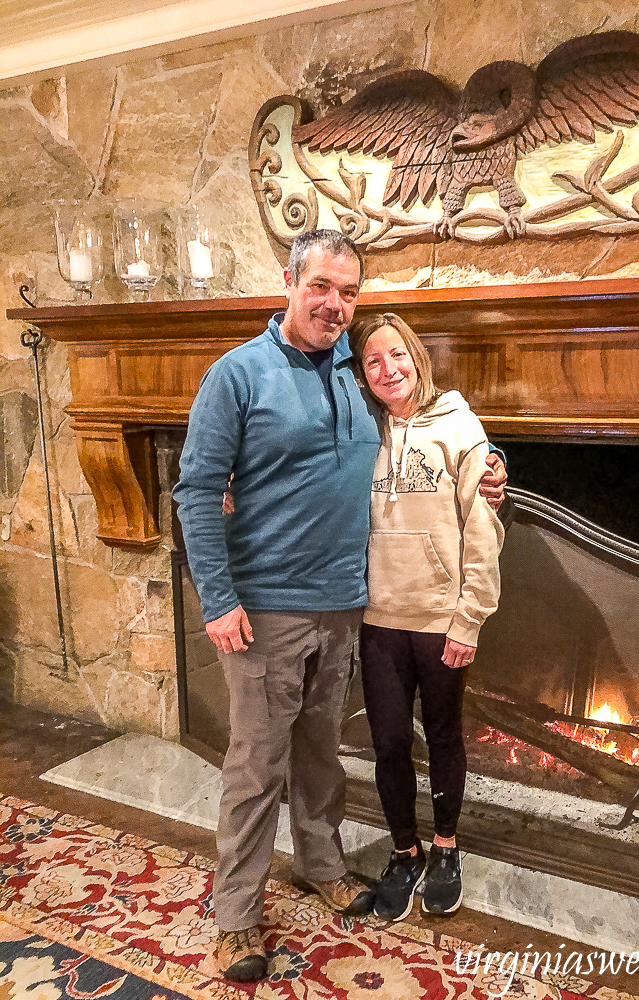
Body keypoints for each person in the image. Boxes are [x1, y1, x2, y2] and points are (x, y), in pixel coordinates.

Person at [172, 230, 507, 982]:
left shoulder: (357, 379)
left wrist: (492, 467)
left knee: (321, 756)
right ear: (288, 281)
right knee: (256, 767)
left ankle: (321, 865)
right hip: (263, 611)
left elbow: (424, 434)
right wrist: (218, 599)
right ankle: (234, 917)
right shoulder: (238, 375)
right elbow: (196, 489)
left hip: (346, 608)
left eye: (348, 293)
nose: (333, 304)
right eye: (321, 286)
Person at [348, 312, 504, 921]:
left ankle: (445, 847)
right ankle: (404, 850)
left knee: (442, 736)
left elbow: (482, 532)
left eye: (397, 356)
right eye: (373, 362)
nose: (388, 370)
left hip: (441, 619)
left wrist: (469, 620)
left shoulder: (460, 431)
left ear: (416, 357)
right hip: (379, 617)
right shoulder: (361, 431)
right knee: (387, 742)